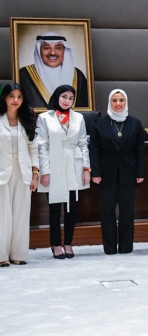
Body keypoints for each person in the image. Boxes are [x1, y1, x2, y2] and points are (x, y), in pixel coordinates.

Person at [35, 85, 91, 259]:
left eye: (71, 98)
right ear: (57, 97)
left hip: (74, 164)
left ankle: (68, 243)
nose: (67, 101)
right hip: (54, 164)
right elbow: (42, 146)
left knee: (72, 209)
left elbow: (83, 144)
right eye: (64, 97)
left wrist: (86, 168)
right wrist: (44, 171)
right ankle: (56, 244)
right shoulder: (45, 118)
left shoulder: (79, 117)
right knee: (54, 209)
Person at [89, 89, 146, 255]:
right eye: (114, 100)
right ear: (109, 102)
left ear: (126, 102)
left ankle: (126, 247)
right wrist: (95, 172)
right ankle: (110, 248)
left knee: (127, 211)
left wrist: (140, 172)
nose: (118, 104)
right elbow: (94, 150)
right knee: (107, 212)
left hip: (129, 174)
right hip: (105, 174)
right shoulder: (98, 123)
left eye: (121, 100)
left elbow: (140, 150)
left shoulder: (135, 123)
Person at [0, 83, 38, 266]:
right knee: (2, 214)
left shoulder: (27, 120)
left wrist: (35, 174)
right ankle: (1, 256)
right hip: (2, 171)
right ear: (4, 98)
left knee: (21, 214)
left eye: (19, 97)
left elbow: (33, 148)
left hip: (24, 171)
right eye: (11, 96)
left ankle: (18, 254)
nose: (15, 100)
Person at [19, 32, 89, 108]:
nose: (52, 53)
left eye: (58, 48)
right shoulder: (24, 75)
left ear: (64, 51)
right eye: (46, 48)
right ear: (39, 51)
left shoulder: (78, 76)